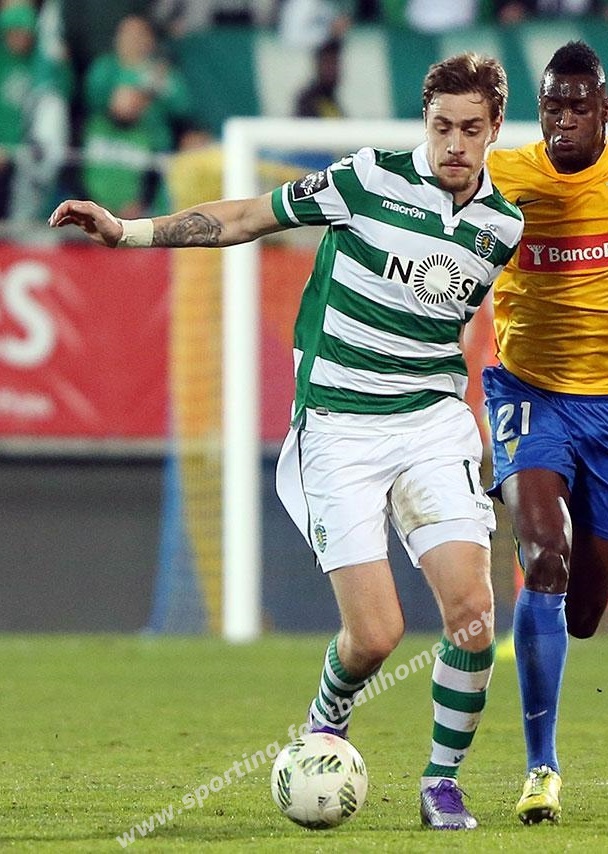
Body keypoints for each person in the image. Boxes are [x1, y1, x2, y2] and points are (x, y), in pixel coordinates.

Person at [48, 51, 523, 830]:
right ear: (425, 121)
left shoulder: (503, 225)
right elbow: (244, 218)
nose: (454, 144)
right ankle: (327, 718)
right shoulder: (365, 181)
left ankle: (441, 783)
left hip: (432, 421)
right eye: (441, 126)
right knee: (375, 635)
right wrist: (127, 231)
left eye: (471, 129)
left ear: (495, 127)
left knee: (473, 611)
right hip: (339, 427)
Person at [484, 40, 608, 824]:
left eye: (578, 106)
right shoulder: (503, 176)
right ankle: (542, 769)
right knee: (545, 555)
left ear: (604, 110)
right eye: (551, 106)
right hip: (528, 393)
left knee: (586, 609)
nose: (563, 120)